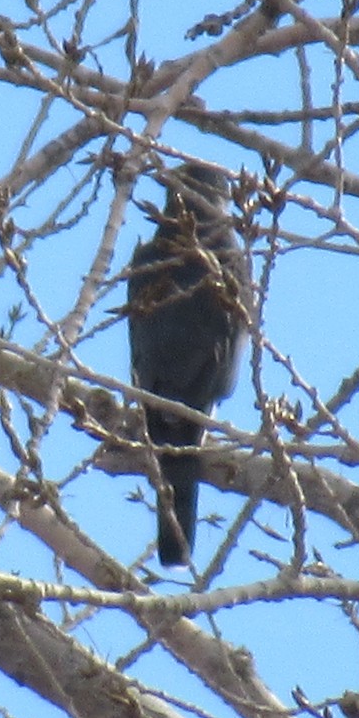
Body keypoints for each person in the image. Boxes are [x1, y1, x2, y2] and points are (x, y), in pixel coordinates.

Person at [127, 162, 248, 565]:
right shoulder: (229, 259)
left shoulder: (149, 258)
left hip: (160, 389)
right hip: (196, 392)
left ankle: (175, 545)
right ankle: (177, 547)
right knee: (180, 466)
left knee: (173, 467)